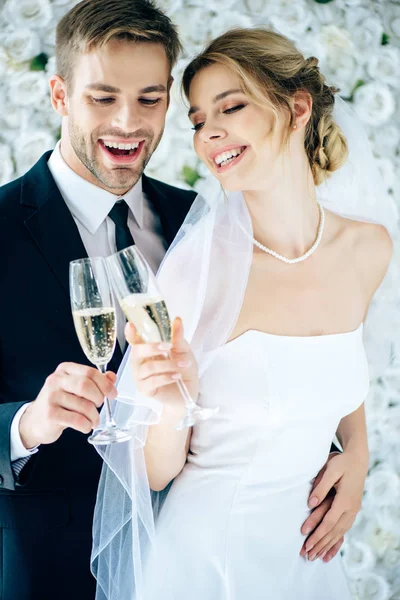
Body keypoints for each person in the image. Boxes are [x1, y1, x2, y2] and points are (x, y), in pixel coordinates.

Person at [92, 28, 396, 599]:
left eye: (231, 107)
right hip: (208, 564)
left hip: (310, 564)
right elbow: (153, 473)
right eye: (198, 120)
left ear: (298, 107)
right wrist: (166, 397)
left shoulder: (371, 249)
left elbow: (339, 372)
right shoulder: (197, 272)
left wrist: (357, 452)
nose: (210, 134)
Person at [0, 1, 195, 598]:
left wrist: (333, 451)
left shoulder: (196, 220)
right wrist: (27, 424)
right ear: (60, 96)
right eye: (103, 98)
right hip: (54, 568)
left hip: (193, 553)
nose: (129, 123)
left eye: (149, 98)